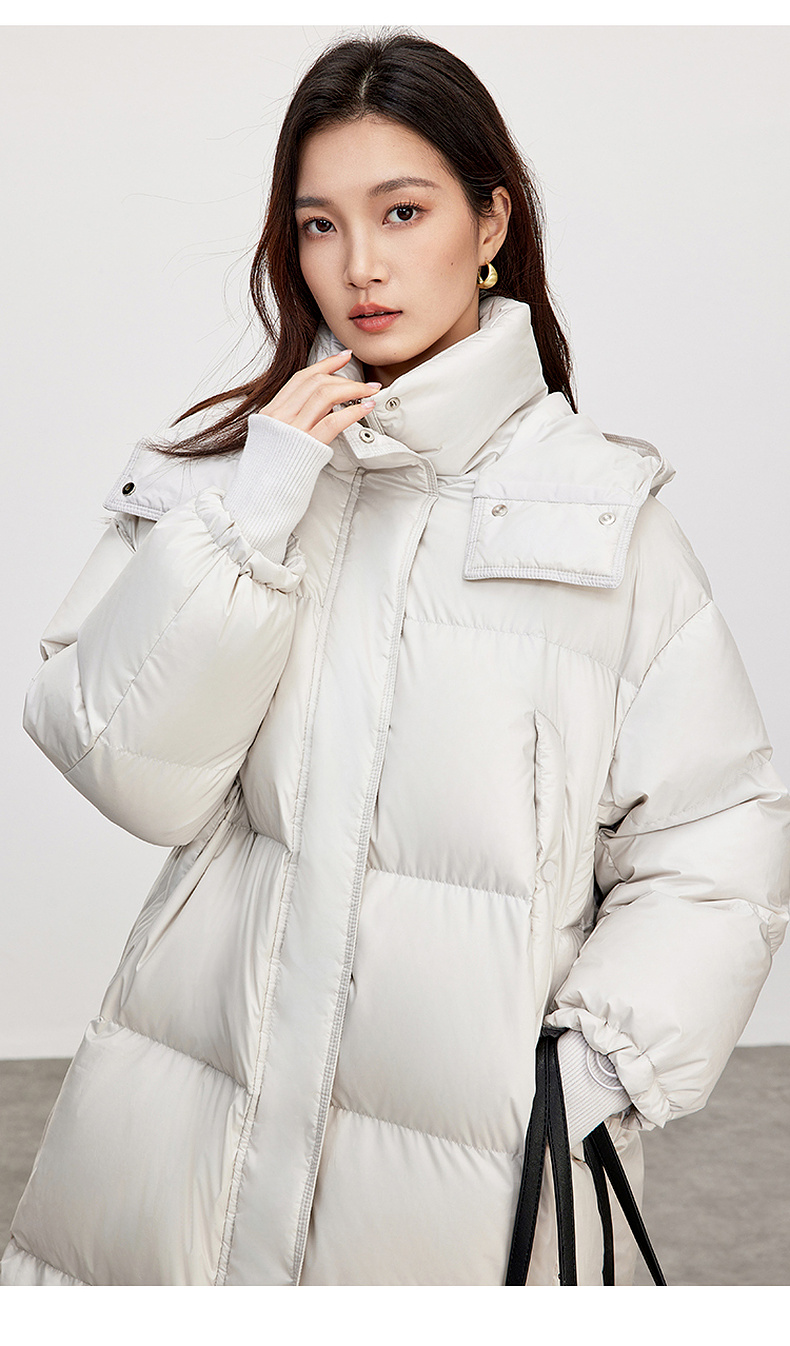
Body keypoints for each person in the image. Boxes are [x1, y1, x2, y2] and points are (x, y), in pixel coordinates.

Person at [2, 30, 789, 1288]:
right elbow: (125, 769)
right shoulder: (228, 484)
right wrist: (255, 517)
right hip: (185, 1127)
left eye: (402, 211)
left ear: (490, 222)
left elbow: (716, 828)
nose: (359, 265)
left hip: (464, 1168)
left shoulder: (600, 515)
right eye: (319, 225)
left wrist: (597, 1066)